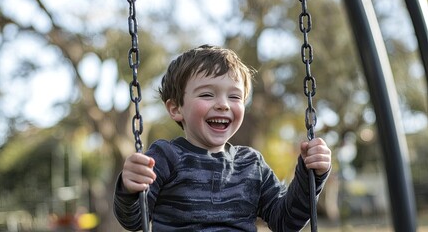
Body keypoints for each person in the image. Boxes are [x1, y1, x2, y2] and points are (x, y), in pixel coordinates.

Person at [113, 44, 331, 231]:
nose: (223, 104)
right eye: (207, 94)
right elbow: (133, 220)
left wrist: (311, 173)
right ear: (176, 108)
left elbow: (286, 222)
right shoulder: (165, 157)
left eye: (235, 96)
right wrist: (130, 187)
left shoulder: (251, 164)